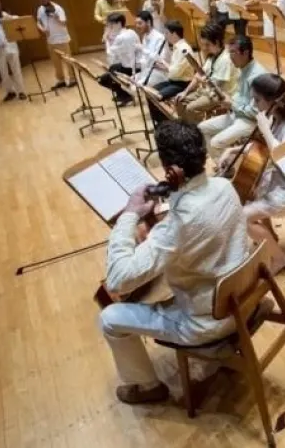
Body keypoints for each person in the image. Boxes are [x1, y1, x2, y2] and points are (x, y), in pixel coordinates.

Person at [98, 119, 250, 404]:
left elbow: (118, 280)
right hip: (242, 302)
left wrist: (129, 214)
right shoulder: (224, 186)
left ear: (171, 169)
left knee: (109, 318)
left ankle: (147, 387)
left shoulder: (178, 224)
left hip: (207, 322)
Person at [219, 74, 285, 274]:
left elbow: (281, 156)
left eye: (257, 100)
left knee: (240, 217)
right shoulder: (275, 118)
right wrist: (232, 150)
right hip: (275, 181)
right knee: (245, 197)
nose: (253, 104)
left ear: (273, 101)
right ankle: (269, 237)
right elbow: (262, 145)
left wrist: (265, 129)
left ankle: (280, 259)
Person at [198, 35, 268, 162]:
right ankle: (224, 164)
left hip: (251, 121)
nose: (230, 57)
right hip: (236, 114)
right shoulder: (243, 68)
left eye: (233, 52)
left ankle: (224, 166)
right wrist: (226, 98)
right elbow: (240, 96)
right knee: (202, 128)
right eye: (229, 52)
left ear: (245, 52)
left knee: (215, 142)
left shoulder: (257, 76)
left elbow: (256, 111)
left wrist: (232, 105)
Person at [174, 23, 236, 123]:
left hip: (219, 95)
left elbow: (216, 86)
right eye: (203, 44)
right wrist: (185, 92)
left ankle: (196, 131)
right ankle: (184, 128)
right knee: (179, 101)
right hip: (206, 91)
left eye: (207, 44)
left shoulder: (226, 59)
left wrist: (202, 80)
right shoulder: (212, 56)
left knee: (190, 109)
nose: (204, 48)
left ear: (217, 42)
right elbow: (198, 75)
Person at [97, 12, 141, 106]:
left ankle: (124, 95)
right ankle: (123, 94)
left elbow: (110, 54)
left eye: (111, 25)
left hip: (131, 68)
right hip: (137, 65)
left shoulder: (120, 37)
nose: (109, 28)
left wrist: (106, 39)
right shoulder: (131, 32)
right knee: (112, 68)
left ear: (119, 23)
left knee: (103, 79)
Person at [150, 20, 196, 107]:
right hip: (173, 81)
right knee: (151, 90)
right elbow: (174, 69)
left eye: (167, 33)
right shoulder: (177, 47)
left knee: (155, 96)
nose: (165, 36)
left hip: (182, 84)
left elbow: (175, 72)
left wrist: (164, 64)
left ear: (174, 34)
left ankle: (162, 116)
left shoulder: (184, 49)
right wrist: (162, 67)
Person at [35, 0, 74, 90]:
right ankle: (61, 80)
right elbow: (38, 22)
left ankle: (72, 79)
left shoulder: (57, 8)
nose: (42, 2)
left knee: (67, 60)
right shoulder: (40, 9)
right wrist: (42, 29)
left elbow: (64, 23)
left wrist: (56, 17)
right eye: (40, 0)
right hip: (50, 40)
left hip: (62, 39)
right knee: (56, 62)